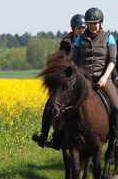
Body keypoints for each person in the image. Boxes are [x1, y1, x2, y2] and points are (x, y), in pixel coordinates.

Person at [70, 7, 118, 151]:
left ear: (101, 23)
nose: (93, 26)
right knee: (64, 103)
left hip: (104, 78)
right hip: (84, 79)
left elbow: (112, 60)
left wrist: (105, 77)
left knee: (116, 106)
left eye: (95, 23)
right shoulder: (80, 39)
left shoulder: (109, 37)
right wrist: (79, 78)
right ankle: (59, 136)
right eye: (90, 23)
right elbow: (74, 61)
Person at [32, 13, 87, 148]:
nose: (81, 31)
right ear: (73, 28)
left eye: (83, 28)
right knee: (51, 103)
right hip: (67, 78)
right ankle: (45, 134)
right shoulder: (66, 42)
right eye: (79, 28)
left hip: (83, 77)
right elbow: (59, 60)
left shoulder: (88, 41)